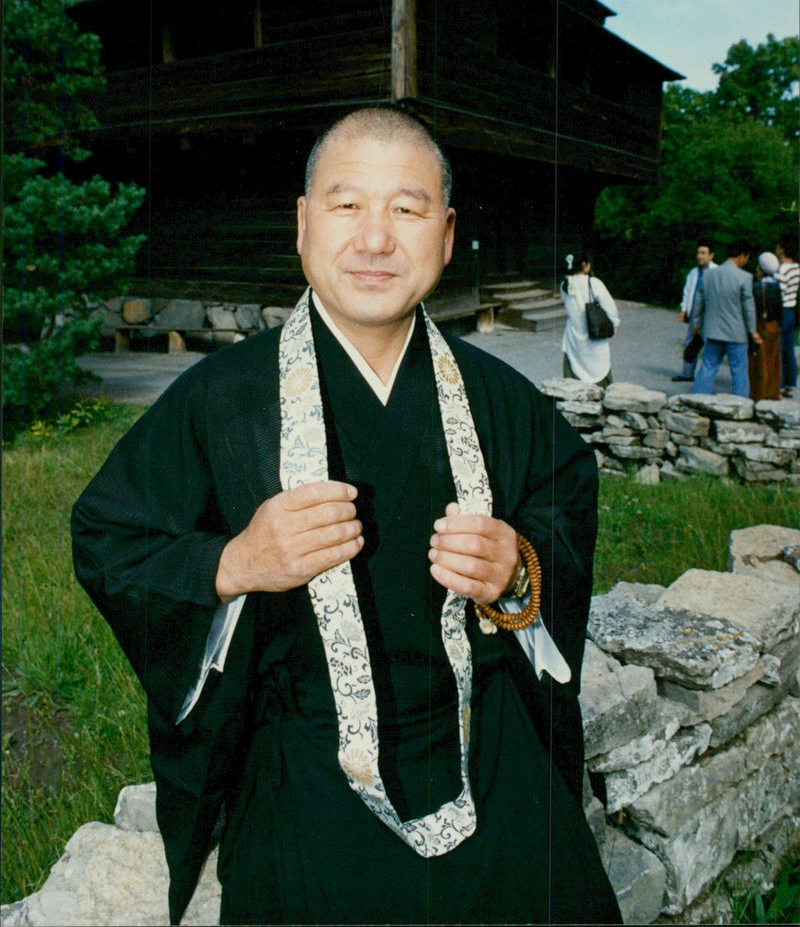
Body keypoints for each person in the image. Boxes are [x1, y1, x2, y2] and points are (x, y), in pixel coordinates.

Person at [71, 108, 620, 927]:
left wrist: (517, 569)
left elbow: (564, 508)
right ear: (303, 224)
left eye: (407, 209)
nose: (375, 240)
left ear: (445, 233)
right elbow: (108, 537)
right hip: (303, 767)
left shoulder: (503, 400)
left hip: (490, 750)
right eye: (345, 205)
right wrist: (233, 565)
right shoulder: (219, 400)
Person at [692, 237, 761, 398]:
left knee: (708, 367)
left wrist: (697, 323)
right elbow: (748, 308)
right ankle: (740, 405)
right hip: (737, 333)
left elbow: (698, 302)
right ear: (742, 256)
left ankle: (697, 400)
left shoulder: (709, 275)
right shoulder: (744, 277)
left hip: (712, 330)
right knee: (738, 371)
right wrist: (752, 331)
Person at [560, 253, 620, 388]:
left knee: (574, 370)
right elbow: (611, 308)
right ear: (585, 265)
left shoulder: (565, 285)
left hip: (574, 336)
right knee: (598, 367)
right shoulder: (594, 283)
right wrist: (614, 324)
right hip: (594, 334)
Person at [672, 240, 717, 382]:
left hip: (710, 315)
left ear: (711, 255)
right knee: (690, 343)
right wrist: (684, 309)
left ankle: (706, 377)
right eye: (698, 253)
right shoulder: (693, 272)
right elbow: (687, 292)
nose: (700, 256)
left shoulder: (716, 272)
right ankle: (687, 373)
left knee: (709, 346)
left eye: (703, 253)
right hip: (695, 314)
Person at [748, 252, 783, 402]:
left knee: (758, 361)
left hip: (760, 325)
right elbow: (780, 310)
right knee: (773, 360)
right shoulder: (776, 287)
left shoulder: (756, 287)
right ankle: (772, 391)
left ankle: (758, 393)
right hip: (773, 325)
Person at [775, 232, 800, 398]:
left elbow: (779, 293)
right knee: (789, 349)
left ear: (782, 250)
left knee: (778, 349)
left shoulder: (781, 269)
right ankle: (790, 384)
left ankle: (780, 383)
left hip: (781, 310)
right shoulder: (797, 268)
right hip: (792, 310)